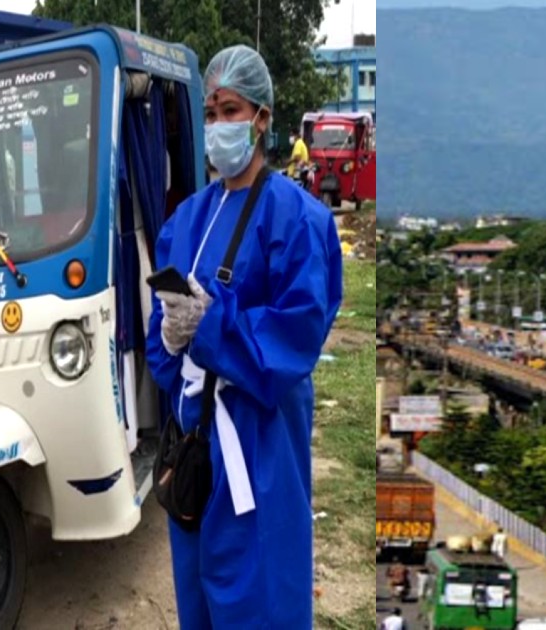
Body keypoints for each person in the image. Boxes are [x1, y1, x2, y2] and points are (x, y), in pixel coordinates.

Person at [146, 44, 343, 629]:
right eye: (209, 113)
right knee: (199, 601)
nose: (216, 126)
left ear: (262, 118)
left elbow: (297, 333)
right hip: (194, 451)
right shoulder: (186, 219)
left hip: (259, 453)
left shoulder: (300, 219)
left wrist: (212, 329)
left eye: (229, 111)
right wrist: (173, 337)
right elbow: (164, 344)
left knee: (262, 601)